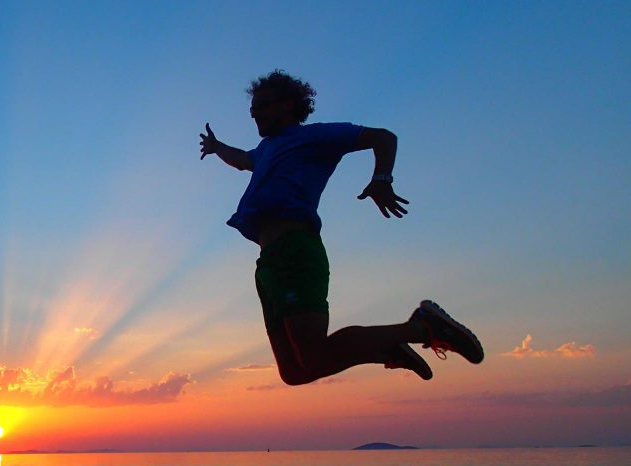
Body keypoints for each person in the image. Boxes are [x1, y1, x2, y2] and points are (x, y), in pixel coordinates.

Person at [200, 70, 482, 385]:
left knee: (315, 354)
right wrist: (215, 146)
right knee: (295, 372)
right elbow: (241, 159)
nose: (256, 114)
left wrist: (381, 179)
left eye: (263, 105)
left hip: (295, 249)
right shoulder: (266, 150)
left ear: (289, 104)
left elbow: (383, 137)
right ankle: (384, 349)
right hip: (268, 262)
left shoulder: (314, 136)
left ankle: (423, 327)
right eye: (253, 110)